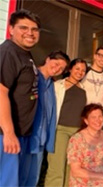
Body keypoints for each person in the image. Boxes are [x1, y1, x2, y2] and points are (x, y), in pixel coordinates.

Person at [0, 9, 40, 187]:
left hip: (19, 134)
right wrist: (8, 133)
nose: (30, 33)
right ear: (11, 29)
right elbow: (0, 91)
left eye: (35, 29)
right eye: (24, 27)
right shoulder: (8, 52)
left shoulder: (25, 54)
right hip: (4, 135)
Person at [27, 51, 70, 186]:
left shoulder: (51, 84)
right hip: (25, 137)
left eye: (61, 68)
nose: (57, 69)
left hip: (40, 140)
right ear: (47, 59)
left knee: (33, 178)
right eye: (56, 64)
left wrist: (49, 141)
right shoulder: (30, 76)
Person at [45, 58, 87, 187]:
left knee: (73, 169)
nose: (80, 72)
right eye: (77, 69)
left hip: (78, 133)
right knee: (57, 166)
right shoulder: (58, 85)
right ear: (70, 69)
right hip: (60, 130)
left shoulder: (85, 88)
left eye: (83, 70)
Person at [67, 103, 103, 187]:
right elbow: (76, 171)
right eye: (93, 117)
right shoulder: (77, 139)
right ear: (86, 121)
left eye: (100, 116)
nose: (98, 120)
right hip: (84, 180)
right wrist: (101, 177)